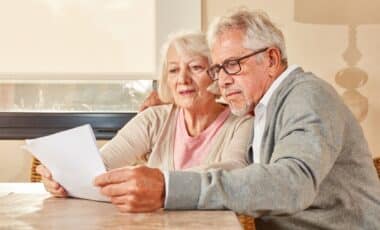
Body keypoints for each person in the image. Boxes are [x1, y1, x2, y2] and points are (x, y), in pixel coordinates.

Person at [94, 8, 380, 229]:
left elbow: (292, 184)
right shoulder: (261, 108)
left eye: (233, 65)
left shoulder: (308, 97)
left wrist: (169, 187)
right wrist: (168, 101)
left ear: (270, 59)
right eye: (218, 69)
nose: (223, 80)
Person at [37, 31, 253, 201]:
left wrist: (161, 182)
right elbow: (100, 166)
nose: (183, 79)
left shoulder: (241, 122)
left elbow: (234, 171)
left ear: (215, 73)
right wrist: (60, 176)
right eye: (173, 70)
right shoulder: (155, 119)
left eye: (195, 67)